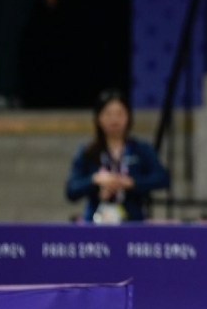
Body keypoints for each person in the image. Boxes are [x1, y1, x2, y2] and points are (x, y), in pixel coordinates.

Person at [66, 89, 171, 223]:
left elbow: (162, 178)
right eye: (108, 114)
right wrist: (96, 180)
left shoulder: (141, 149)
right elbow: (72, 190)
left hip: (132, 220)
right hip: (95, 221)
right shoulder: (87, 151)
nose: (114, 119)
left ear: (128, 117)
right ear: (98, 118)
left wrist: (131, 183)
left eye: (119, 114)